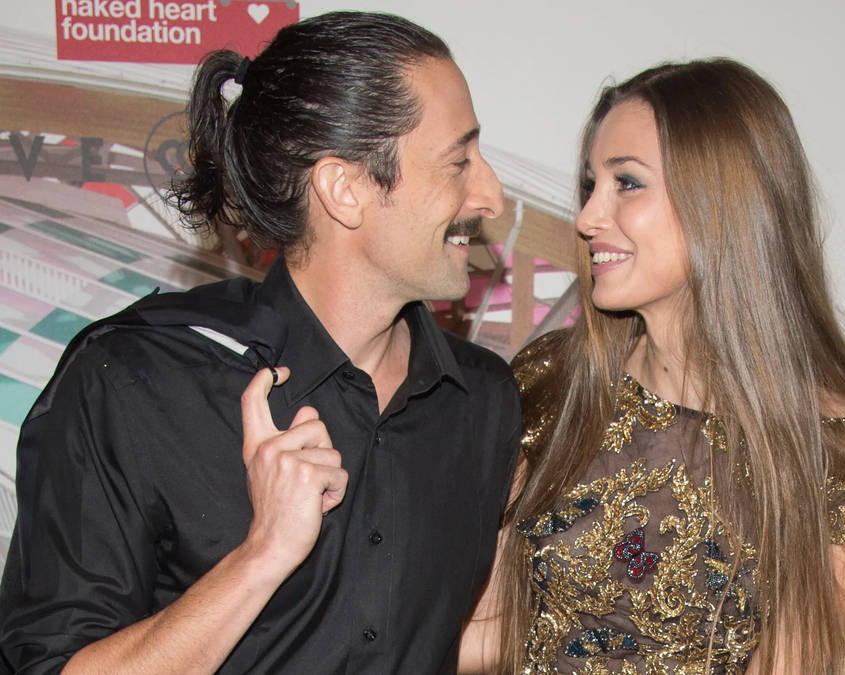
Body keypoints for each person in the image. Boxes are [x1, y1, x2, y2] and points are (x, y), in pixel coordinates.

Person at [0, 11, 521, 674]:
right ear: (345, 188)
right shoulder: (135, 381)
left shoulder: (481, 402)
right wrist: (264, 553)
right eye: (458, 162)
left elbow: (464, 644)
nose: (492, 195)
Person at [459, 58, 845, 674]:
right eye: (591, 185)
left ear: (719, 204)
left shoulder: (838, 446)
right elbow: (489, 635)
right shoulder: (557, 381)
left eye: (627, 183)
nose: (587, 218)